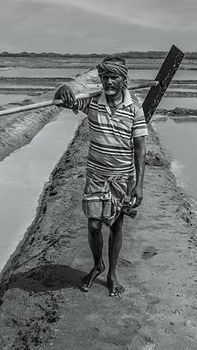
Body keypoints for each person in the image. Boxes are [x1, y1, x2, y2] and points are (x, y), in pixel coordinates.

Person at [55, 56, 147, 297]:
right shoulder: (92, 103)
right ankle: (97, 264)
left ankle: (112, 274)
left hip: (122, 178)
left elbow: (140, 148)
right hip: (96, 175)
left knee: (116, 225)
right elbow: (61, 102)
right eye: (105, 77)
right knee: (94, 225)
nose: (108, 81)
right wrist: (64, 89)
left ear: (123, 80)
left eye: (113, 77)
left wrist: (138, 185)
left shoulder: (135, 110)